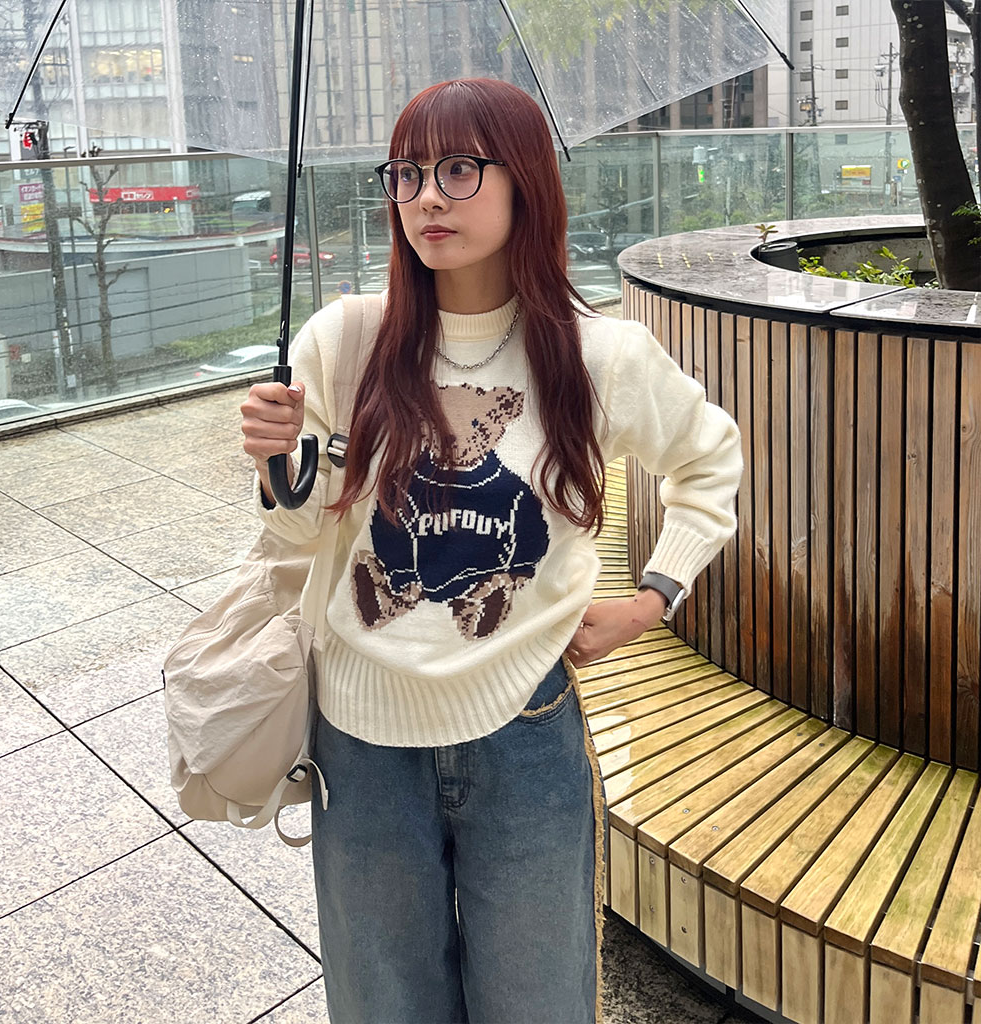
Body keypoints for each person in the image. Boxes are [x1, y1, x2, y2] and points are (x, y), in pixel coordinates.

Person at [240, 77, 742, 1024]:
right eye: (406, 173)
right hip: (361, 740)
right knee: (383, 1005)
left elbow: (710, 458)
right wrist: (276, 466)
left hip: (524, 728)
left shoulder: (601, 356)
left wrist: (654, 597)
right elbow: (298, 532)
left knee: (538, 1001)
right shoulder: (344, 341)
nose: (427, 196)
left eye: (459, 169)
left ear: (526, 182)